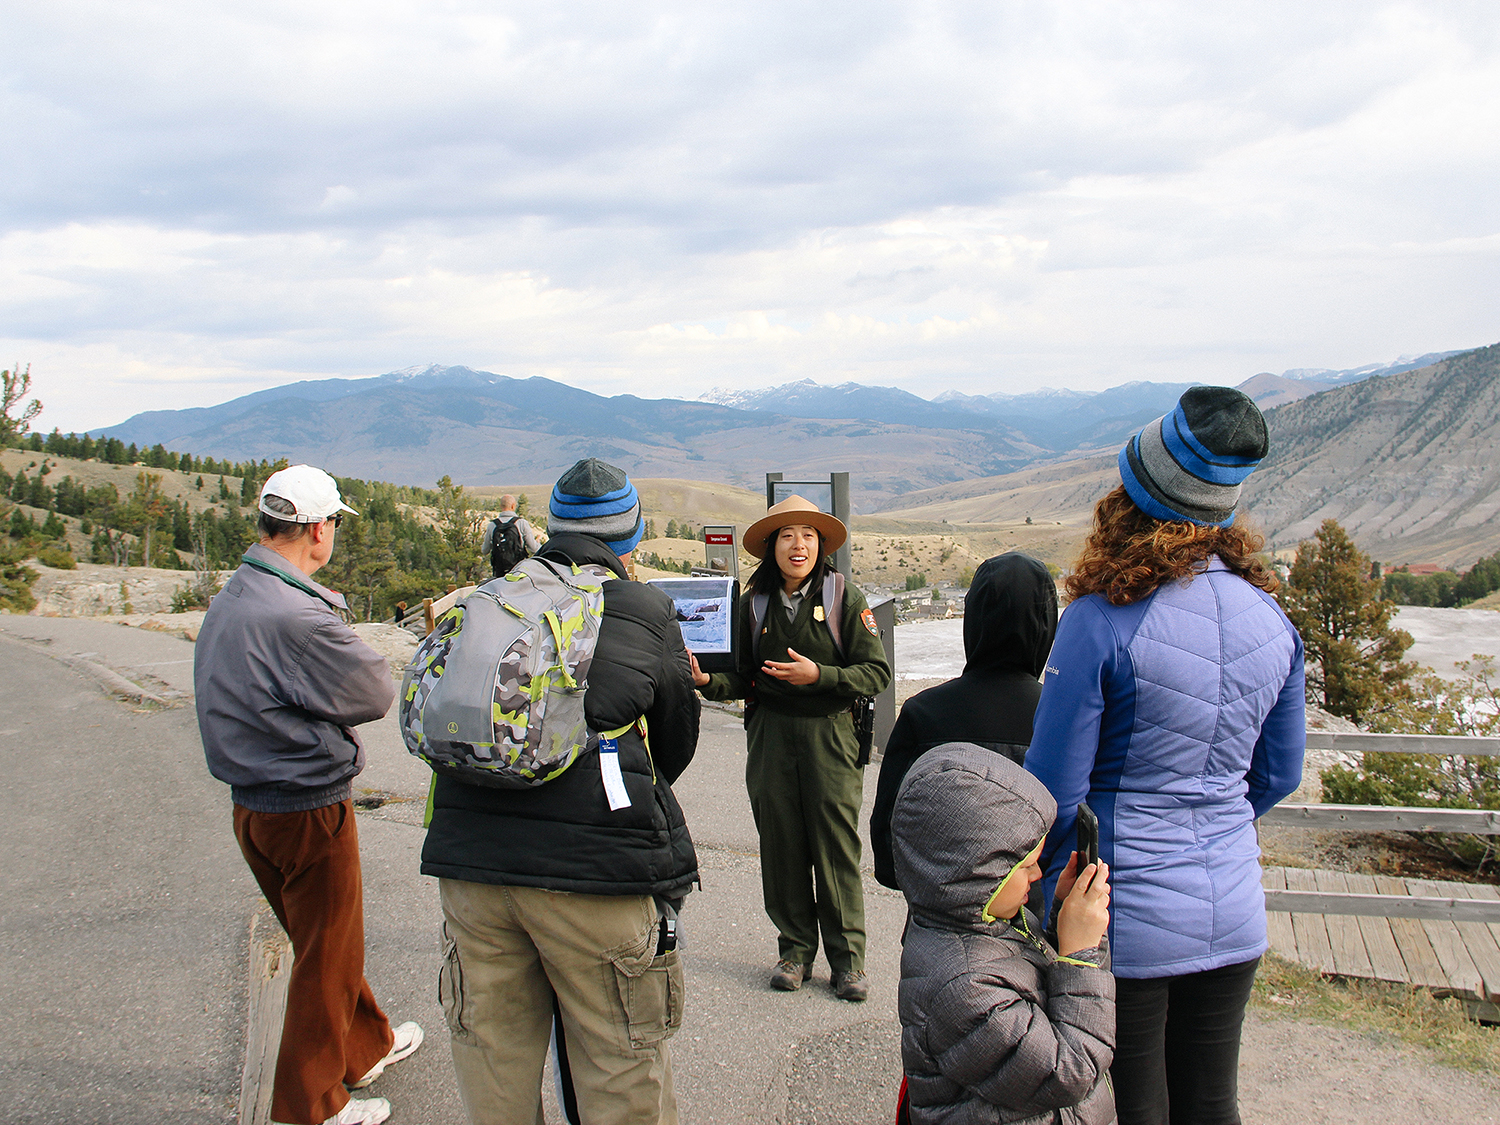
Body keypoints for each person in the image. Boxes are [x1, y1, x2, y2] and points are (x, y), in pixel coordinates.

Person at [1023, 387, 1306, 1125]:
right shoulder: (1273, 620)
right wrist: (1209, 821)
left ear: (1134, 494)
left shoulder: (1097, 622)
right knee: (1213, 1103)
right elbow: (1279, 773)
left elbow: (1053, 788)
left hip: (1127, 913)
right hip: (1235, 906)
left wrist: (1047, 894)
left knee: (1139, 1105)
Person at [421, 457, 701, 1125]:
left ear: (550, 528)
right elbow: (675, 748)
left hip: (473, 867)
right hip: (595, 880)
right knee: (618, 1067)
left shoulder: (489, 599)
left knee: (494, 1074)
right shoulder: (643, 609)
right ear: (630, 537)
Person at [195, 464, 422, 1125]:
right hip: (307, 805)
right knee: (328, 954)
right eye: (335, 526)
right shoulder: (296, 614)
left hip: (253, 804)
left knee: (324, 939)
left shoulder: (238, 593)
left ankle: (365, 1044)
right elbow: (375, 689)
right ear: (320, 529)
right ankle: (311, 1104)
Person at [692, 495, 892, 1001]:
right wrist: (706, 680)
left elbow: (876, 673)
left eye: (807, 534)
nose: (798, 544)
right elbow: (739, 677)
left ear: (820, 544)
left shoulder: (847, 597)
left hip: (829, 735)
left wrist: (818, 675)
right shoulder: (752, 603)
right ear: (772, 547)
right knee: (781, 845)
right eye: (787, 535)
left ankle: (849, 963)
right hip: (771, 736)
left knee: (835, 847)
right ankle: (795, 951)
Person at [892, 744, 1115, 1125]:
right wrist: (1081, 956)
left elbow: (1028, 986)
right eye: (1025, 865)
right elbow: (1068, 1070)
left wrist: (1063, 919)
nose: (1038, 875)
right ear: (976, 875)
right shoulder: (964, 990)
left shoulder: (976, 921)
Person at [870, 551, 1058, 890]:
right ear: (1046, 624)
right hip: (1036, 924)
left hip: (935, 921)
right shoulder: (1062, 720)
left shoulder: (923, 714)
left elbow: (888, 854)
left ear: (973, 618)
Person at [481, 493, 541, 576]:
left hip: (499, 571)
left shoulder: (492, 525)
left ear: (501, 506)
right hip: (518, 570)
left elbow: (484, 550)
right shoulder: (521, 523)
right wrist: (538, 542)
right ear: (513, 506)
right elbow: (534, 549)